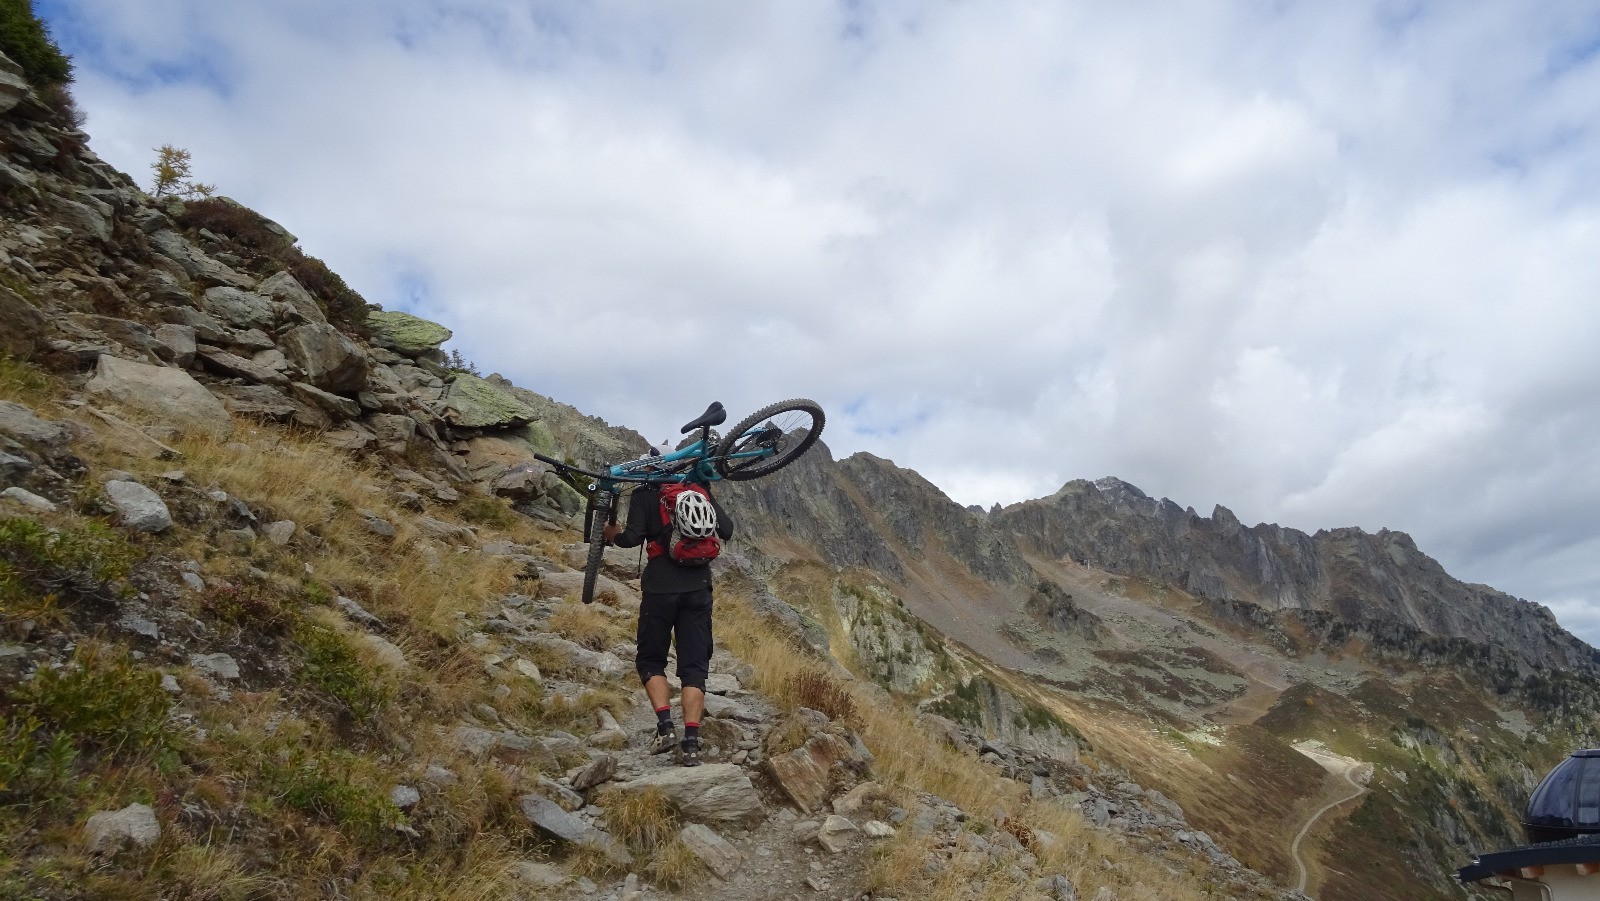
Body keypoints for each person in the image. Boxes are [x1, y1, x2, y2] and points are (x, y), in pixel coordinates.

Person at [603, 481, 734, 766]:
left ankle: (665, 728)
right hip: (698, 588)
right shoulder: (698, 489)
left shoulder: (644, 494)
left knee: (651, 659)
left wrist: (612, 535)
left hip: (660, 588)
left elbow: (632, 538)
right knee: (694, 667)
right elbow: (727, 529)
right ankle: (691, 743)